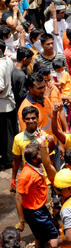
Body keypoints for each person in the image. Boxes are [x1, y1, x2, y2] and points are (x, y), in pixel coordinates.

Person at [0, 39, 16, 169]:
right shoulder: (8, 60)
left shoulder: (0, 65)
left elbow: (0, 87)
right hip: (9, 103)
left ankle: (7, 159)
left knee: (5, 136)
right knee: (8, 134)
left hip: (3, 106)